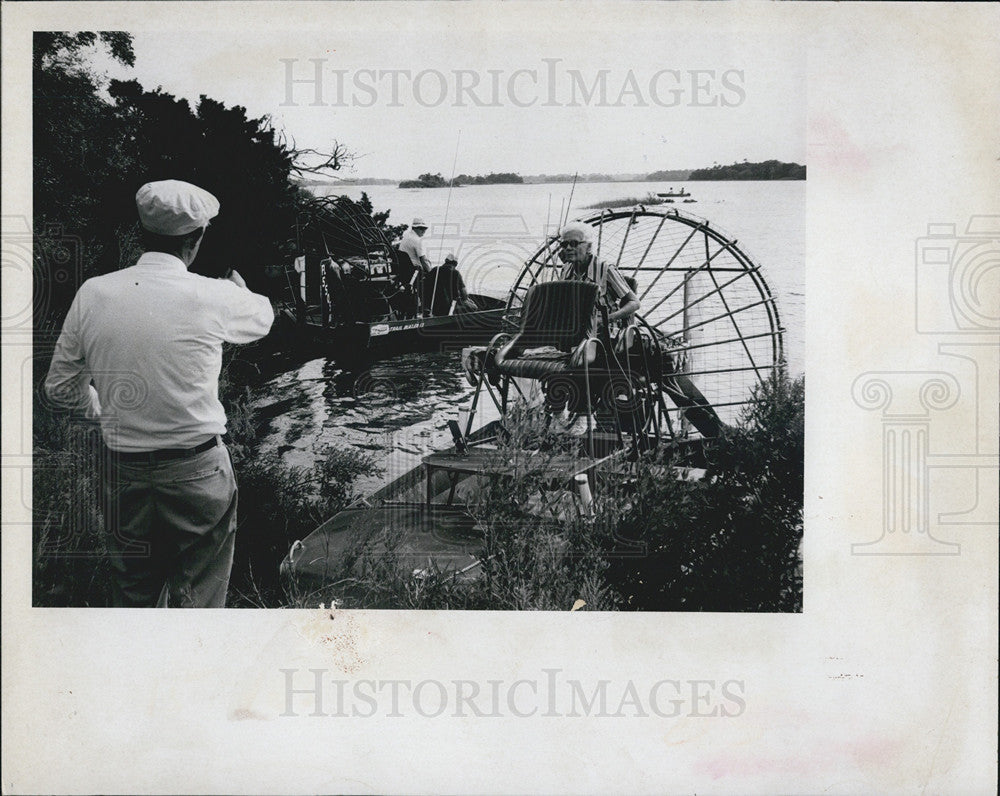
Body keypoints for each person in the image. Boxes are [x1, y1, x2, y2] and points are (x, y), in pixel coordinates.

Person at [44, 179, 274, 607]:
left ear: (142, 231)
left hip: (122, 471)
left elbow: (59, 389)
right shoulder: (213, 295)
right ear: (196, 238)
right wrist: (239, 291)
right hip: (198, 470)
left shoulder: (93, 293)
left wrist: (102, 414)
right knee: (199, 600)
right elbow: (264, 317)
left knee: (132, 593)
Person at [557, 221, 640, 332]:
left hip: (605, 329)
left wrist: (606, 319)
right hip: (576, 327)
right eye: (564, 244)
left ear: (589, 246)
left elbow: (634, 303)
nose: (568, 248)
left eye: (574, 243)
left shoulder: (605, 269)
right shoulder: (566, 269)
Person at [396, 217, 432, 313]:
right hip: (414, 272)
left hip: (403, 271)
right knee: (430, 283)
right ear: (415, 228)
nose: (424, 231)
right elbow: (423, 260)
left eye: (425, 228)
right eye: (421, 228)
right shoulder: (417, 241)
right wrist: (431, 273)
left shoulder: (406, 237)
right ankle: (426, 308)